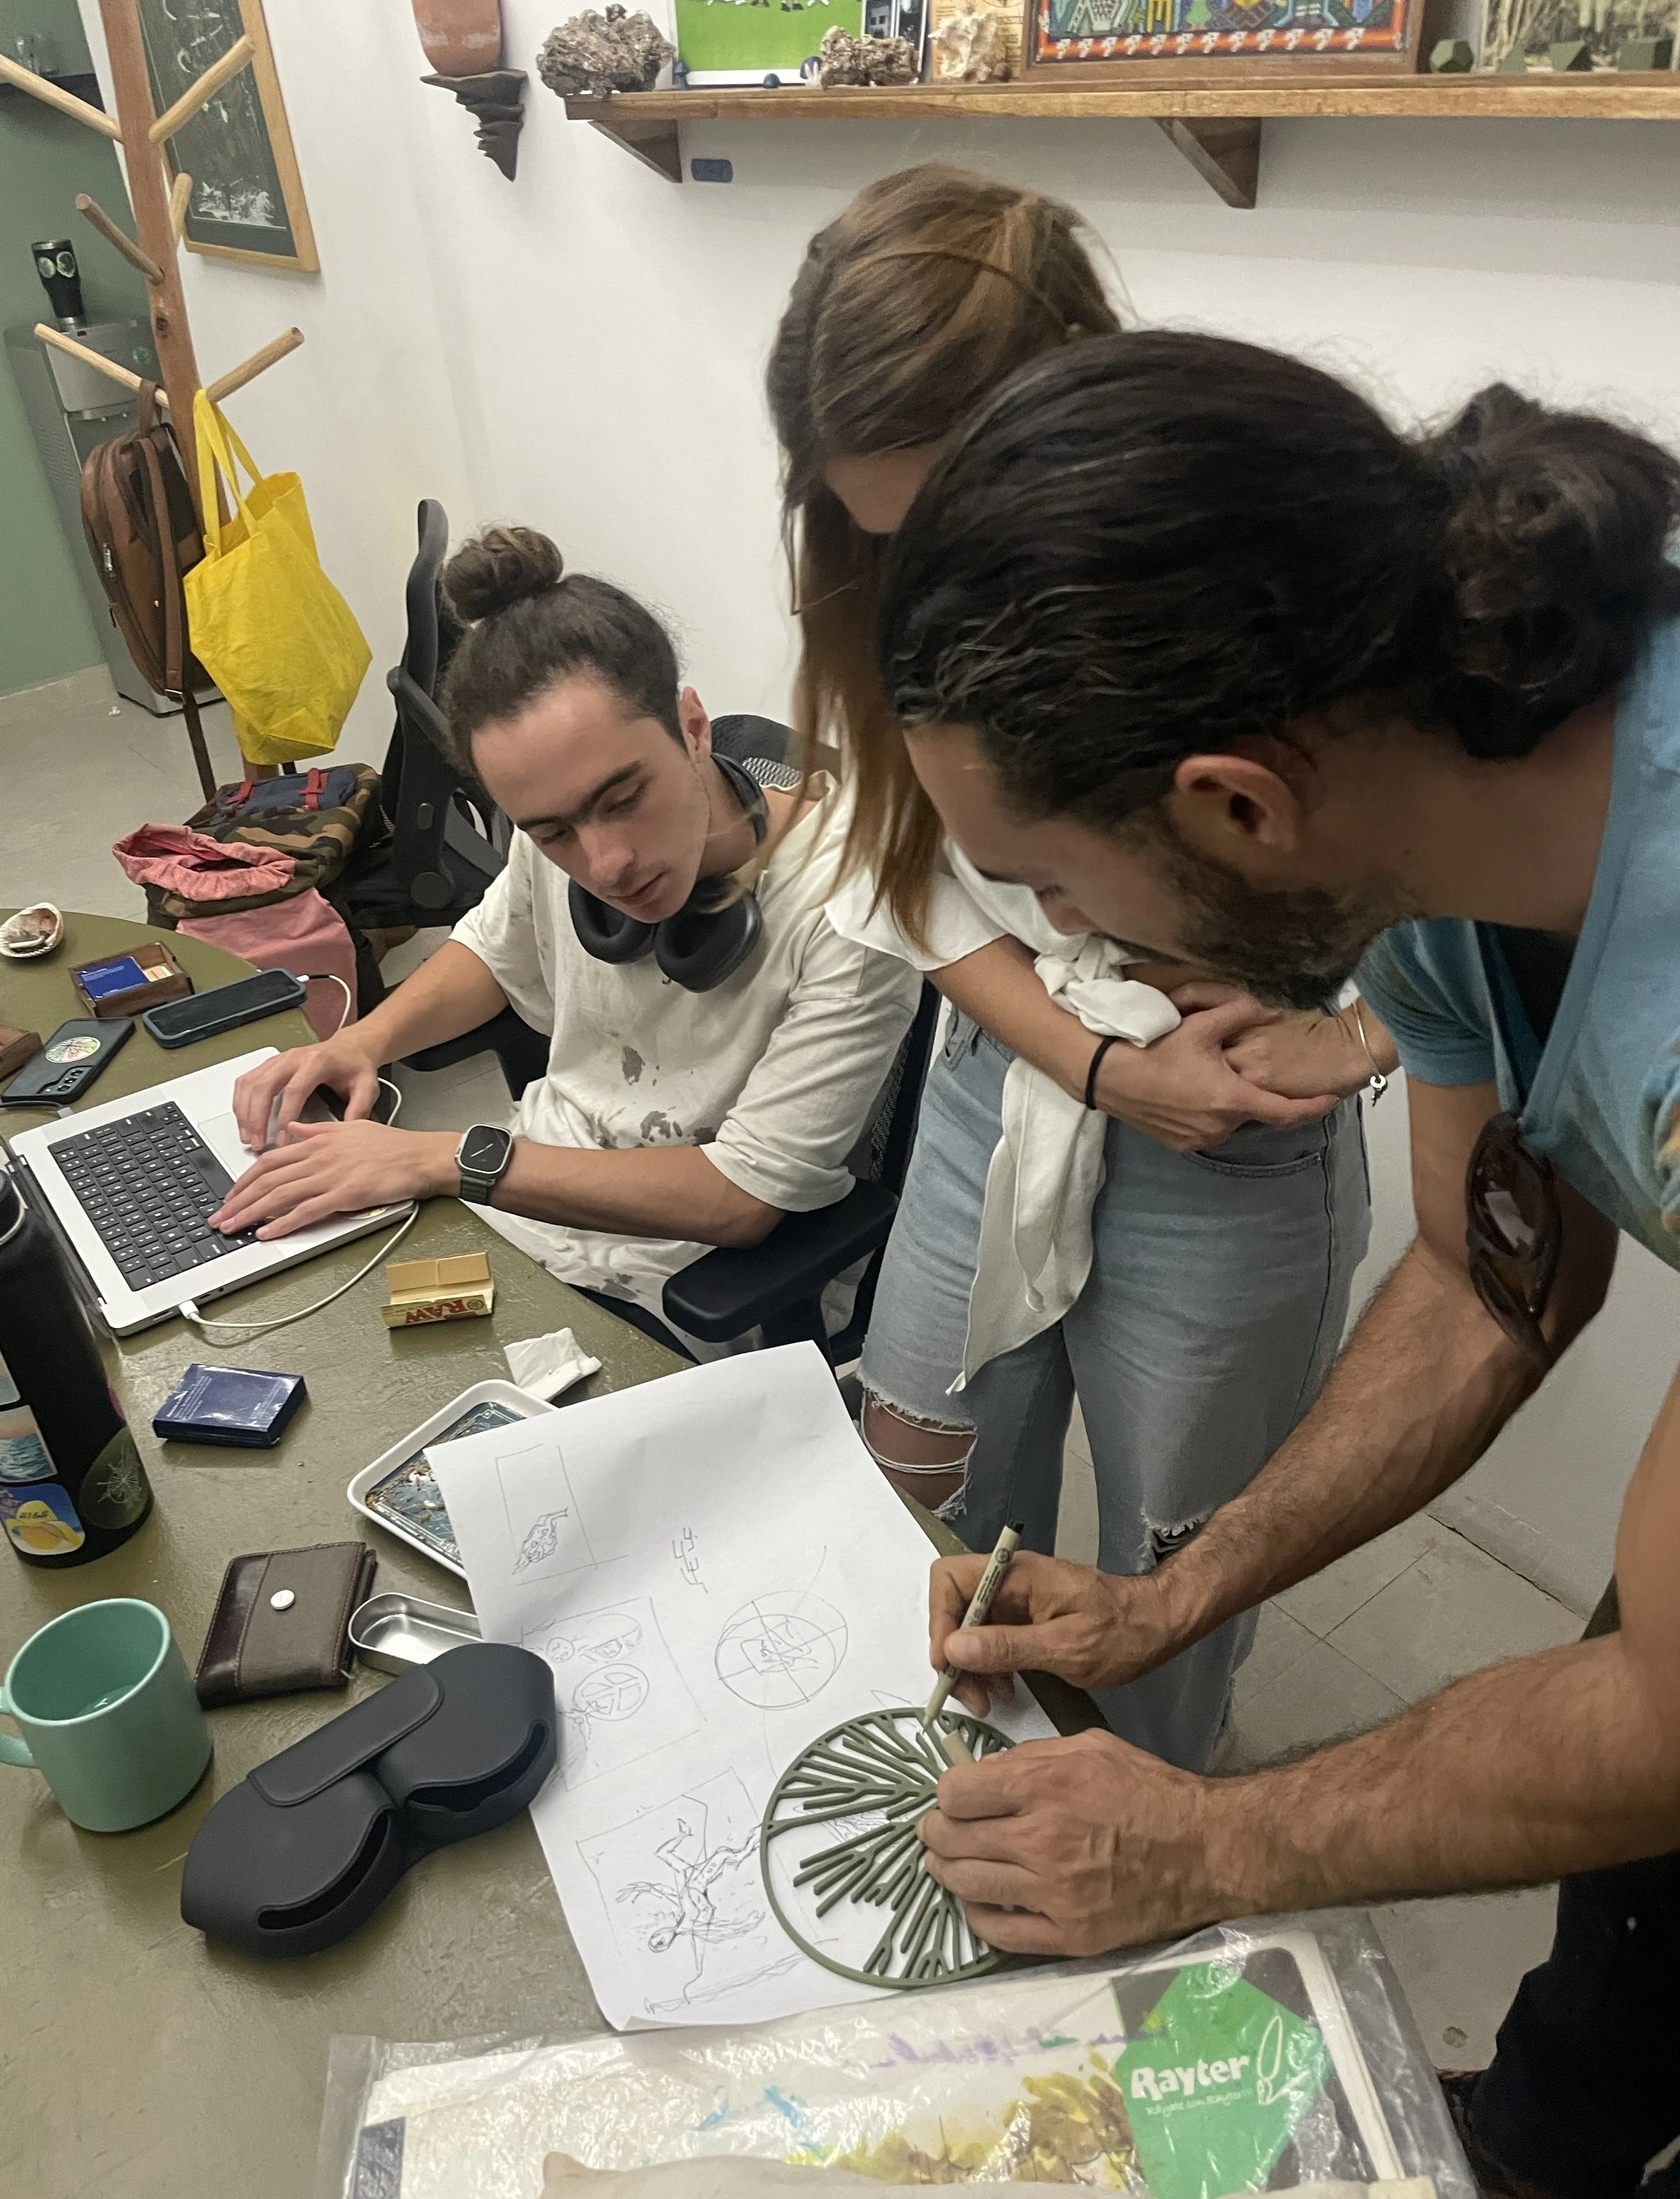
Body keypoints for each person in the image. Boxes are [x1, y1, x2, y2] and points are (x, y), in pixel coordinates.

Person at [877, 330, 1680, 2199]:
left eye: (1060, 885)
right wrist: (1173, 1597)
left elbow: (1662, 1715)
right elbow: (1497, 1273)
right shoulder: (1420, 839)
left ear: (1236, 803)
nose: (1062, 937)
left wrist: (1197, 1846)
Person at [767, 165, 1389, 1772]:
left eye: (962, 519)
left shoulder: (1255, 559)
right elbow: (910, 870)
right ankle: (949, 1798)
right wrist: (1094, 1058)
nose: (932, 585)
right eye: (887, 537)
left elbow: (1453, 842)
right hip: (1015, 1076)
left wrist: (1372, 1025)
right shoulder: (868, 575)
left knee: (1166, 1577)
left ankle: (1146, 1832)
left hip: (1232, 1119)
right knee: (921, 1490)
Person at [214, 526, 919, 1354]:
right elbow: (495, 952)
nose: (605, 863)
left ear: (693, 727)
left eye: (624, 798)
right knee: (291, 1335)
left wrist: (443, 1160)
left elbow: (741, 1200)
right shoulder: (557, 821)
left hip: (686, 1295)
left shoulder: (852, 907)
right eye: (551, 832)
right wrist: (363, 1042)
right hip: (525, 1211)